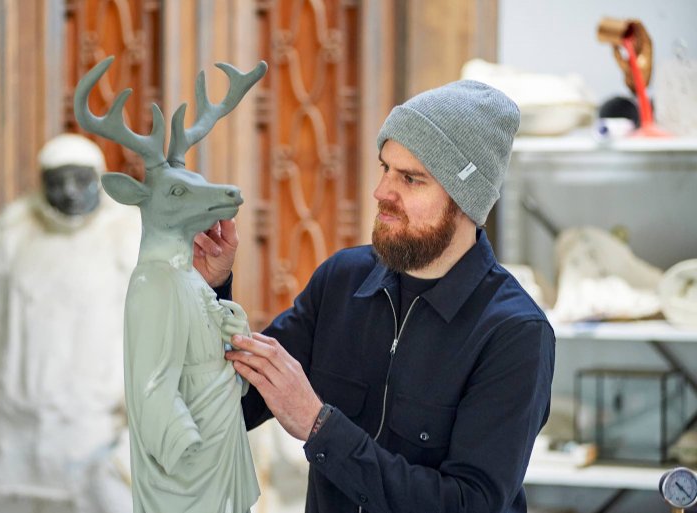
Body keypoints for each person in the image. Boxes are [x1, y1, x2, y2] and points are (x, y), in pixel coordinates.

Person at [195, 80, 555, 513]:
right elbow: (235, 402)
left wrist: (318, 426)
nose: (382, 192)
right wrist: (211, 290)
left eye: (410, 178)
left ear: (465, 200)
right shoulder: (341, 282)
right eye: (385, 167)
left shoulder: (515, 334)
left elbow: (469, 503)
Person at [0, 134, 140, 513]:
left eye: (80, 180)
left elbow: (148, 338)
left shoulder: (127, 238)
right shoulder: (11, 236)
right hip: (16, 434)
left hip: (94, 431)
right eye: (58, 182)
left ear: (99, 179)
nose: (70, 192)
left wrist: (140, 419)